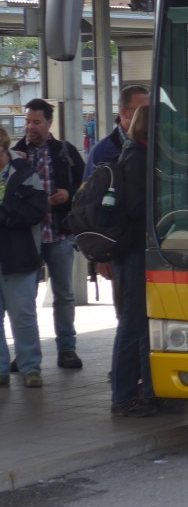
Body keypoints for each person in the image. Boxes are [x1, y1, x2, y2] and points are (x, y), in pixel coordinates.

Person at [110, 105, 176, 417]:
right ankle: (124, 396)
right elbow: (137, 208)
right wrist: (167, 200)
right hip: (136, 251)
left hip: (144, 250)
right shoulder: (136, 157)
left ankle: (152, 391)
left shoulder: (142, 154)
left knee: (147, 325)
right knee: (133, 325)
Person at [12, 98, 85, 371]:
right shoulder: (15, 152)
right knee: (24, 298)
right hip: (25, 237)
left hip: (59, 234)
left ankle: (67, 349)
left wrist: (69, 193)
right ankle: (25, 353)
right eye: (27, 121)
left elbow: (86, 184)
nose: (30, 127)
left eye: (36, 122)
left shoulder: (64, 151)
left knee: (64, 295)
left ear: (49, 123)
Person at [0, 126, 49, 389]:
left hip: (19, 255)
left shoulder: (25, 173)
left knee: (23, 316)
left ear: (4, 149)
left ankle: (31, 368)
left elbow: (38, 209)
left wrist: (7, 214)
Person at [85, 84, 150, 179]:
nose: (149, 116)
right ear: (124, 113)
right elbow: (89, 191)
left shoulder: (160, 143)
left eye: (151, 110)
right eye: (142, 111)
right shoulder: (101, 152)